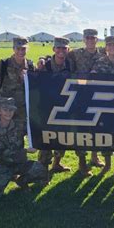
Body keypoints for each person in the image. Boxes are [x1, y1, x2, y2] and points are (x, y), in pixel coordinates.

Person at [0, 97, 48, 203]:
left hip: (20, 163)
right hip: (3, 165)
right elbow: (2, 154)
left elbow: (34, 128)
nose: (8, 113)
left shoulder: (19, 125)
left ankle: (22, 181)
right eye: (5, 110)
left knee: (41, 171)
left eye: (11, 110)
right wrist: (26, 151)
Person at [68, 29, 105, 174]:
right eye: (88, 38)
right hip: (81, 97)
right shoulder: (76, 53)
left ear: (97, 40)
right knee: (82, 129)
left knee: (96, 128)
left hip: (98, 96)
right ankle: (82, 162)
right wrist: (42, 58)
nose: (90, 40)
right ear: (84, 39)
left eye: (93, 38)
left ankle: (95, 157)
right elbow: (59, 55)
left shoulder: (103, 53)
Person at [91, 35, 114, 175]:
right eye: (109, 45)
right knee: (104, 135)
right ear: (105, 47)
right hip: (104, 105)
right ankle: (107, 165)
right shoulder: (100, 62)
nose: (112, 47)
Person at [37, 37, 72, 174]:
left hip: (64, 107)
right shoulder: (45, 65)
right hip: (47, 107)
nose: (61, 51)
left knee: (62, 137)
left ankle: (57, 163)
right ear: (53, 49)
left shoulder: (71, 65)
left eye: (64, 48)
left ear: (68, 50)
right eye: (58, 48)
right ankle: (43, 168)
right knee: (46, 138)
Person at [0, 36, 35, 127]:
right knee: (1, 137)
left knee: (18, 139)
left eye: (23, 49)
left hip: (21, 111)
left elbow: (36, 86)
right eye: (18, 49)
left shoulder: (30, 66)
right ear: (13, 49)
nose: (21, 52)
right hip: (4, 111)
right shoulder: (3, 64)